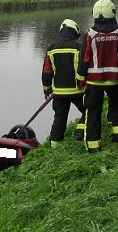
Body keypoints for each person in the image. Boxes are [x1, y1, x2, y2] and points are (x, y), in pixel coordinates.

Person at [78, 0, 118, 152]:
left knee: (93, 112)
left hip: (94, 83)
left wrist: (81, 80)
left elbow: (84, 60)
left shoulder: (89, 34)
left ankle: (93, 146)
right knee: (117, 108)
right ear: (112, 13)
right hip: (115, 81)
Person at [41, 19, 86, 147]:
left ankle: (55, 145)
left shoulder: (51, 48)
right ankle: (80, 130)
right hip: (78, 90)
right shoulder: (79, 47)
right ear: (74, 32)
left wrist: (47, 89)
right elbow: (84, 68)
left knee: (59, 117)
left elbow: (46, 72)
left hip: (59, 92)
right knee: (88, 110)